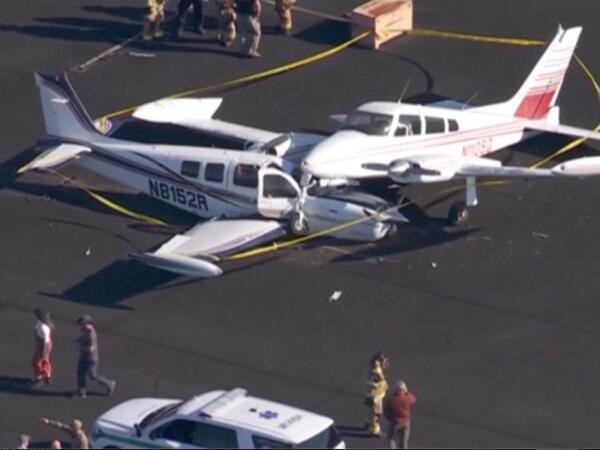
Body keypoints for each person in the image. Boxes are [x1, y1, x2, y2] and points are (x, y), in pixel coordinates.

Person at [74, 315, 116, 399]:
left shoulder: (91, 333)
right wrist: (78, 340)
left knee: (92, 375)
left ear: (87, 323)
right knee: (81, 373)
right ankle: (82, 392)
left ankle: (109, 384)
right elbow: (83, 338)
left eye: (82, 324)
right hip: (84, 357)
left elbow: (91, 349)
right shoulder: (85, 329)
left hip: (90, 359)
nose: (80, 325)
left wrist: (80, 347)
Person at [384, 381, 417, 449]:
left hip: (395, 422)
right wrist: (407, 392)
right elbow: (414, 398)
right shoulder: (408, 398)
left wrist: (389, 418)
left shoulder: (392, 399)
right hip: (405, 422)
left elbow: (386, 410)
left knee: (391, 439)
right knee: (403, 442)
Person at [365, 352, 389, 436]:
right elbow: (371, 383)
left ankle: (368, 422)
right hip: (375, 397)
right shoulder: (376, 372)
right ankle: (375, 430)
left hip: (374, 395)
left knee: (371, 411)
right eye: (384, 361)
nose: (385, 363)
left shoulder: (375, 369)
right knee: (377, 414)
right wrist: (383, 385)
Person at [31, 309, 53, 386]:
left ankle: (39, 376)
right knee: (40, 361)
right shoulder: (39, 323)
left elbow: (46, 342)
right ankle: (46, 376)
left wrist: (45, 353)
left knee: (37, 361)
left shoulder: (44, 327)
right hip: (40, 343)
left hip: (43, 344)